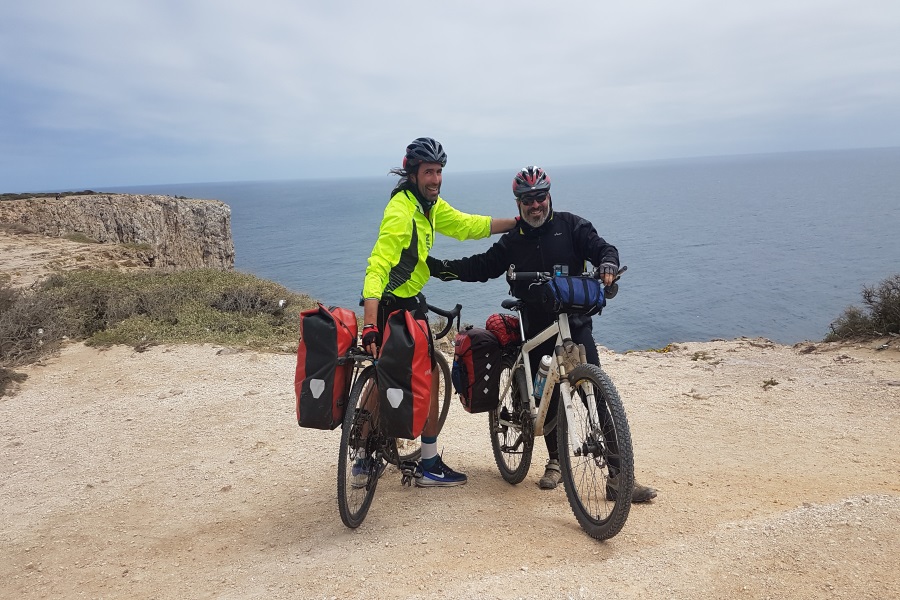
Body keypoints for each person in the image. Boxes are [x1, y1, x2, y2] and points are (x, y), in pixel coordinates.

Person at [427, 166, 658, 502]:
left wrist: (607, 264)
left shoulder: (572, 226)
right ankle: (555, 462)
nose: (534, 205)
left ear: (549, 196)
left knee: (596, 397)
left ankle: (618, 477)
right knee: (545, 399)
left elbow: (603, 248)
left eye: (539, 197)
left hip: (575, 325)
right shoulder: (513, 240)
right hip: (534, 326)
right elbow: (479, 267)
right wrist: (435, 267)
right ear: (518, 202)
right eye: (526, 200)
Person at [360, 137, 516, 488]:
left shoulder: (427, 206)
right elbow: (377, 265)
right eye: (428, 171)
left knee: (382, 373)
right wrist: (370, 324)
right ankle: (428, 463)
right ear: (413, 174)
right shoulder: (402, 212)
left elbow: (466, 225)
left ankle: (362, 459)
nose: (435, 179)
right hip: (396, 305)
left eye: (439, 171)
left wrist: (514, 223)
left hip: (401, 301)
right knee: (428, 375)